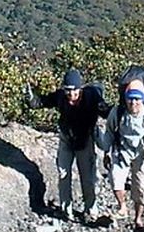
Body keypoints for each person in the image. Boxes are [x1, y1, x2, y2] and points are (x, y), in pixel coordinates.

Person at [27, 68, 109, 221]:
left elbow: (106, 111)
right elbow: (42, 102)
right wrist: (32, 99)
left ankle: (90, 208)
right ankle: (67, 209)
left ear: (81, 88)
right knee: (63, 174)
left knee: (87, 177)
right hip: (66, 137)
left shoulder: (92, 98)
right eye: (68, 90)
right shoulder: (60, 97)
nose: (71, 94)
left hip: (85, 139)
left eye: (74, 90)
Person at [98, 76, 144, 228]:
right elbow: (110, 132)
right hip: (122, 149)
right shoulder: (117, 112)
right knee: (115, 179)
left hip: (143, 153)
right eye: (130, 99)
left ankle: (138, 218)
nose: (133, 103)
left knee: (142, 188)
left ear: (142, 100)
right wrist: (106, 151)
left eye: (137, 99)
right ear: (126, 99)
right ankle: (122, 207)